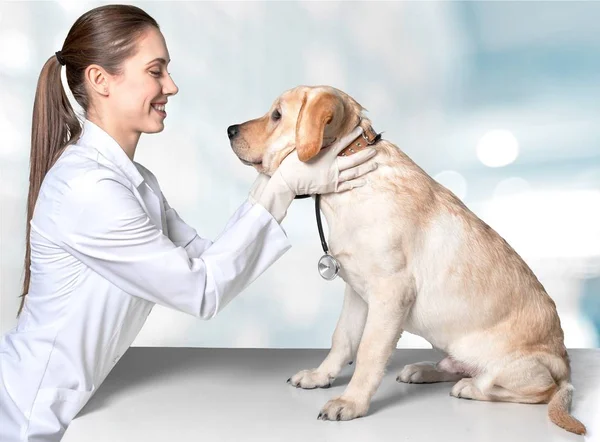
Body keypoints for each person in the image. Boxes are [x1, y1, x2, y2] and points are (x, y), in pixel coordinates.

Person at [0, 4, 377, 442]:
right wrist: (283, 185)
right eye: (156, 71)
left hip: (62, 407)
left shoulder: (134, 181)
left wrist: (283, 177)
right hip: (26, 417)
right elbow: (201, 291)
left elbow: (206, 258)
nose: (171, 87)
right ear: (100, 81)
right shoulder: (88, 190)